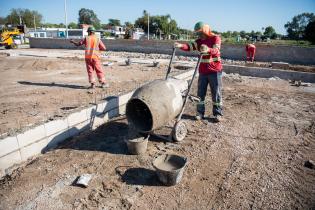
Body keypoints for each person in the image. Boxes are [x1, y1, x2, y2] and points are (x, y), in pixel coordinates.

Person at [174, 22, 223, 122]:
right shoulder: (199, 41)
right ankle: (200, 113)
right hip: (203, 72)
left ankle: (218, 113)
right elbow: (190, 47)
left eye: (200, 32)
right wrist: (180, 45)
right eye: (198, 33)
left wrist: (208, 49)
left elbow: (216, 50)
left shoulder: (215, 38)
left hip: (215, 71)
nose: (199, 35)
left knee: (216, 93)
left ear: (205, 30)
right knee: (200, 93)